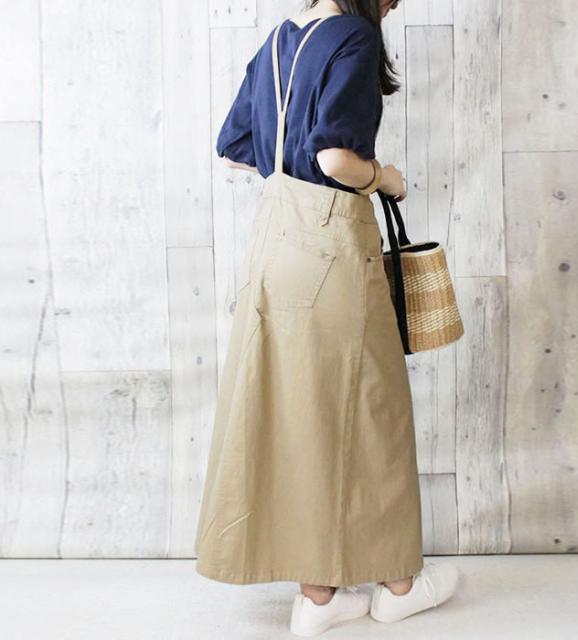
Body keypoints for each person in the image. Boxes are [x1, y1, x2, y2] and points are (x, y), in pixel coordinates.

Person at [193, 0, 460, 635]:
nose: (394, 3)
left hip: (274, 245)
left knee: (301, 411)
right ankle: (398, 585)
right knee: (373, 408)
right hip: (332, 244)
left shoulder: (278, 43)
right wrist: (385, 178)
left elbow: (234, 150)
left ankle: (319, 597)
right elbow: (335, 158)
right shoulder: (354, 39)